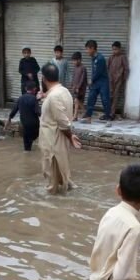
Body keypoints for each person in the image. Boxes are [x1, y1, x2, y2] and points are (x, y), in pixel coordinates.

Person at [38, 63, 80, 194]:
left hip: (53, 143)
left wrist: (70, 136)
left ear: (43, 78)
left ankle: (53, 209)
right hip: (58, 141)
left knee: (53, 184)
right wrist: (70, 136)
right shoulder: (64, 91)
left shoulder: (53, 97)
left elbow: (63, 122)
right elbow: (64, 120)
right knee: (62, 175)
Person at [6, 81, 41, 151]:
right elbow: (38, 112)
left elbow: (14, 110)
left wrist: (9, 118)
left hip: (24, 124)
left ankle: (27, 154)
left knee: (26, 145)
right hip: (34, 125)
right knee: (33, 137)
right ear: (34, 89)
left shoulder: (20, 98)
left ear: (25, 88)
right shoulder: (34, 99)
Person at [84, 40, 112, 123]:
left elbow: (98, 72)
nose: (87, 51)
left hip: (103, 82)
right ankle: (88, 117)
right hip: (95, 82)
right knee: (91, 98)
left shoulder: (100, 58)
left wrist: (91, 80)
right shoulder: (94, 58)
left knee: (105, 99)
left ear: (92, 48)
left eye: (87, 49)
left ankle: (108, 117)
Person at [107, 41, 129, 120]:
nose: (114, 51)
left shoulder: (122, 57)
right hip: (111, 79)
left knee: (116, 97)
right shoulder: (111, 57)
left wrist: (123, 78)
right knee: (110, 96)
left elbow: (126, 68)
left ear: (119, 49)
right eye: (113, 49)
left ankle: (112, 114)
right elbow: (108, 67)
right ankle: (107, 112)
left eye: (116, 49)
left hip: (118, 80)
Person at [70, 51, 87, 122]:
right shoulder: (75, 68)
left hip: (81, 88)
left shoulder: (83, 68)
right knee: (77, 102)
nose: (73, 62)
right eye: (73, 61)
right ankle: (80, 114)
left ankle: (76, 115)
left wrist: (78, 87)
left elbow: (82, 79)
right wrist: (72, 84)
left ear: (79, 60)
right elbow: (73, 76)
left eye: (74, 60)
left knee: (77, 101)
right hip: (75, 87)